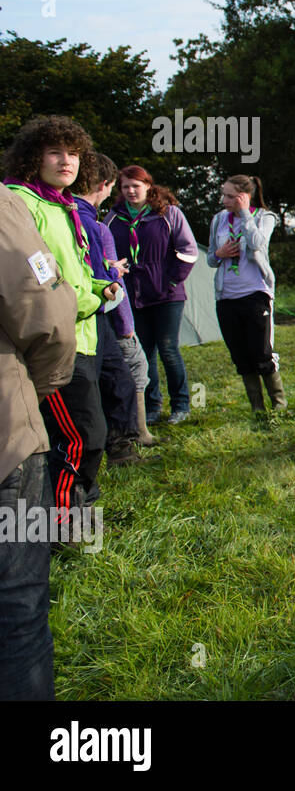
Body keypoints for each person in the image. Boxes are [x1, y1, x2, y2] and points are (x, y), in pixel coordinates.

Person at [4, 116, 120, 515]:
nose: (66, 161)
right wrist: (88, 300)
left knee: (88, 434)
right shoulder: (19, 202)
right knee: (81, 438)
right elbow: (32, 283)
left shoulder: (63, 203)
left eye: (73, 153)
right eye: (55, 152)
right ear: (34, 157)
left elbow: (74, 272)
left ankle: (76, 509)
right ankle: (61, 524)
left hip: (83, 336)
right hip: (50, 341)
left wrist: (98, 287)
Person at [0, 183, 77, 700]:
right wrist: (35, 389)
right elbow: (45, 313)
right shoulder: (7, 208)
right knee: (17, 607)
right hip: (7, 442)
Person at [107, 165, 199, 425]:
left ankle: (181, 405)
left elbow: (189, 250)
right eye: (126, 187)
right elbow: (105, 253)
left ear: (148, 185)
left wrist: (171, 280)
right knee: (143, 352)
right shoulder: (114, 218)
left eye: (136, 185)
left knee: (168, 348)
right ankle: (151, 406)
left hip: (167, 295)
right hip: (134, 296)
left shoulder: (169, 213)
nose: (131, 191)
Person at [70, 152, 142, 466]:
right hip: (95, 316)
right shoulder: (91, 222)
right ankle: (118, 450)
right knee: (116, 382)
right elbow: (96, 276)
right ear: (105, 185)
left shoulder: (74, 214)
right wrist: (113, 273)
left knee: (111, 383)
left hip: (91, 315)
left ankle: (115, 449)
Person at [207, 175, 286, 418]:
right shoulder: (219, 219)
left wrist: (245, 215)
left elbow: (258, 244)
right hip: (226, 297)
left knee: (261, 352)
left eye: (231, 196)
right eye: (224, 194)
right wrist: (219, 253)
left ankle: (279, 406)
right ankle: (257, 409)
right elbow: (210, 258)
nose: (225, 200)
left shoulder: (264, 217)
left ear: (245, 197)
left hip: (255, 294)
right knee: (240, 355)